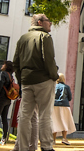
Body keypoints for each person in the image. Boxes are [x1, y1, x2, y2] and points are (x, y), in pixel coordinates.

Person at [13, 14, 59, 151]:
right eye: (48, 21)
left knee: (24, 116)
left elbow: (16, 62)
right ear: (40, 22)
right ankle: (46, 146)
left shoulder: (23, 38)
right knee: (45, 114)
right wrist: (54, 76)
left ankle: (22, 147)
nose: (50, 23)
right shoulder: (45, 37)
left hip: (26, 81)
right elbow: (49, 59)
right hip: (43, 80)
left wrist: (21, 80)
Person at [52, 73, 76, 146]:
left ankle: (53, 140)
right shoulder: (66, 87)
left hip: (54, 105)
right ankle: (64, 138)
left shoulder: (54, 86)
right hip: (65, 105)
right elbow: (70, 98)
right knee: (65, 121)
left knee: (54, 122)